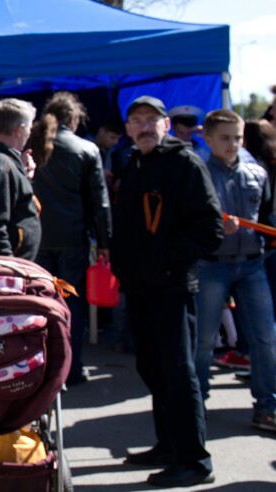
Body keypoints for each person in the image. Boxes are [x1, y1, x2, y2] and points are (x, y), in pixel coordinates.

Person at [111, 95, 222, 488]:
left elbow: (210, 227)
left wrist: (169, 261)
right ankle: (169, 445)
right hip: (140, 286)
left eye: (150, 120)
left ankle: (194, 460)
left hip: (172, 285)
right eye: (136, 121)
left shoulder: (184, 162)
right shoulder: (135, 161)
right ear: (127, 130)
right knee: (153, 369)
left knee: (178, 372)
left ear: (166, 125)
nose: (143, 127)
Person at [193, 109, 276, 433]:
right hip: (211, 267)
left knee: (265, 338)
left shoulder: (257, 173)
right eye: (225, 138)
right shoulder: (198, 174)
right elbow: (189, 224)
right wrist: (215, 231)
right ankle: (196, 402)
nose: (232, 144)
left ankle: (267, 406)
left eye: (238, 137)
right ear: (209, 139)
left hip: (252, 265)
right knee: (203, 341)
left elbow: (267, 217)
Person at [30, 91, 112, 386]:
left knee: (40, 305)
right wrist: (104, 242)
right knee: (71, 306)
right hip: (73, 238)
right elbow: (100, 203)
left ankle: (45, 369)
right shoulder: (86, 149)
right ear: (74, 119)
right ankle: (72, 368)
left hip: (36, 239)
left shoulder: (33, 144)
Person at [0, 98, 41, 260]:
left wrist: (22, 176)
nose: (29, 135)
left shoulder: (3, 161)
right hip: (10, 267)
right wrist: (8, 266)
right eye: (29, 130)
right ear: (20, 130)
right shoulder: (0, 165)